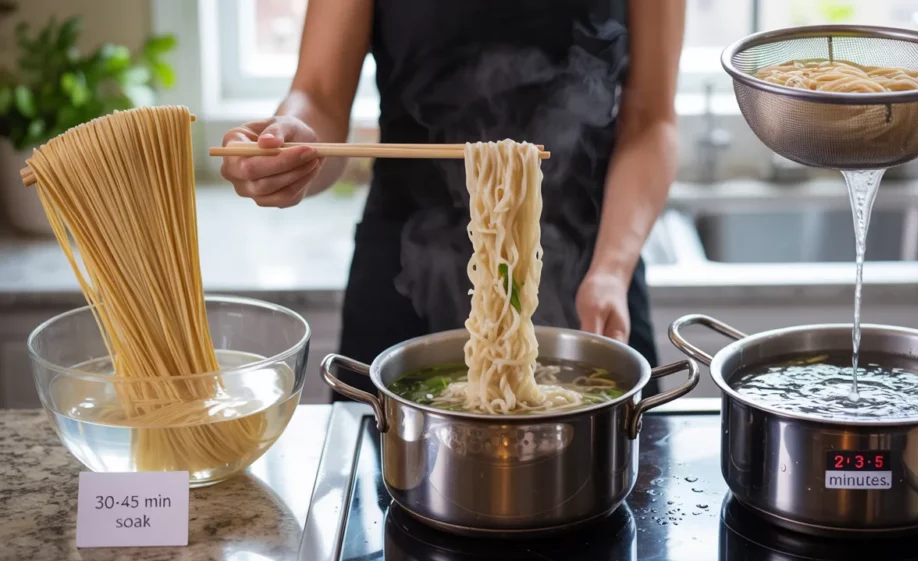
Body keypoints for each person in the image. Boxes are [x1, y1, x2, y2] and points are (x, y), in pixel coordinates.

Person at [221, 0, 685, 399]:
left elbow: (651, 120)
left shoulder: (604, 273)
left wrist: (611, 270)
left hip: (596, 269)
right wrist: (291, 148)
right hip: (400, 269)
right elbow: (319, 94)